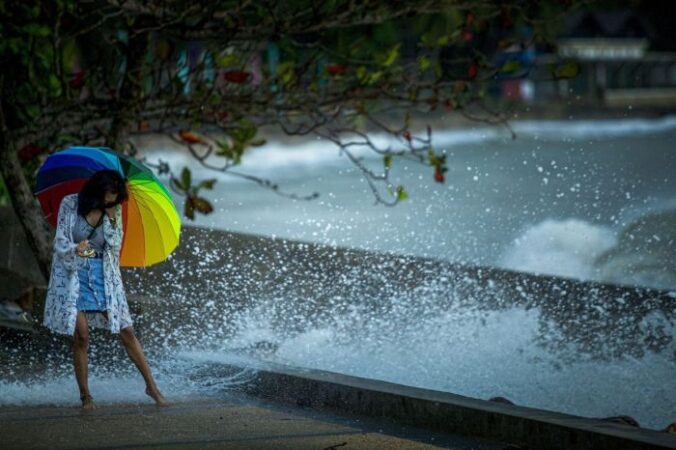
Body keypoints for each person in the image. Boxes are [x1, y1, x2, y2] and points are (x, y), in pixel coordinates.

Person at [43, 170, 167, 410]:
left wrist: (110, 220)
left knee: (127, 331)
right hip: (73, 277)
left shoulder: (114, 210)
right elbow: (60, 241)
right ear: (97, 190)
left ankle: (152, 386)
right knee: (81, 335)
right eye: (108, 196)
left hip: (104, 278)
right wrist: (76, 250)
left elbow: (112, 247)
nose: (111, 202)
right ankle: (86, 396)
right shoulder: (70, 203)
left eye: (115, 198)